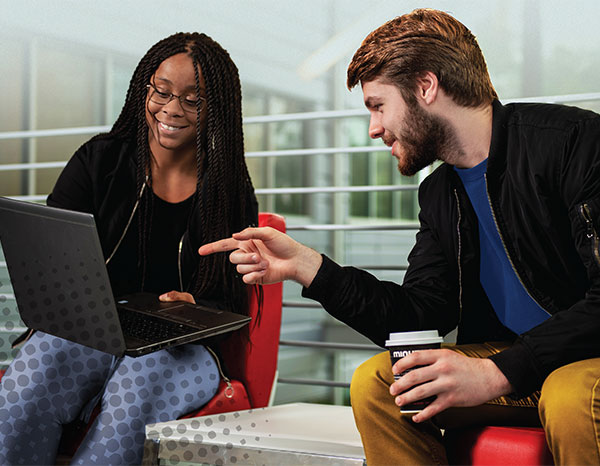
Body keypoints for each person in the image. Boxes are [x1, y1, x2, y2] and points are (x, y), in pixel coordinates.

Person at [199, 9, 600, 465]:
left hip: (584, 360)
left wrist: (495, 372)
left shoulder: (573, 143)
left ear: (426, 87)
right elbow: (419, 314)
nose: (373, 128)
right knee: (378, 383)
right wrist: (311, 270)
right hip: (520, 367)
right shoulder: (439, 193)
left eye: (377, 105)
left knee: (571, 395)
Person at [0, 32, 257, 465]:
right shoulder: (99, 159)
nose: (172, 109)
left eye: (194, 100)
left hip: (180, 347)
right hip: (90, 330)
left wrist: (195, 303)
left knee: (134, 390)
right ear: (146, 87)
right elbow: (53, 259)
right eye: (162, 91)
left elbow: (233, 298)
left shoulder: (230, 190)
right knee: (34, 375)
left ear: (218, 108)